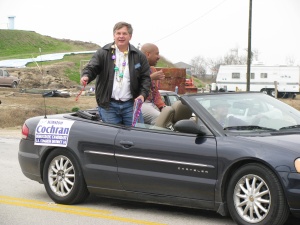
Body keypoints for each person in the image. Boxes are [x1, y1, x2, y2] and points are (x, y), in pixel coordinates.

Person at [80, 22, 151, 126]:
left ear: (130, 36)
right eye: (118, 33)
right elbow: (92, 67)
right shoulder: (103, 53)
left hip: (131, 106)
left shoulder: (139, 56)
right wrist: (86, 75)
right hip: (108, 106)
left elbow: (146, 78)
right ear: (114, 35)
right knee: (112, 139)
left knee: (137, 137)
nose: (121, 36)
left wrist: (143, 95)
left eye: (124, 33)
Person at [140, 43, 167, 125]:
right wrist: (151, 77)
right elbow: (132, 87)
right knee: (159, 118)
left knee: (167, 115)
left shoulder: (153, 69)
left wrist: (162, 106)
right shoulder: (136, 67)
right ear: (148, 54)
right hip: (139, 103)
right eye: (157, 54)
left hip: (151, 104)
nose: (159, 57)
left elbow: (155, 93)